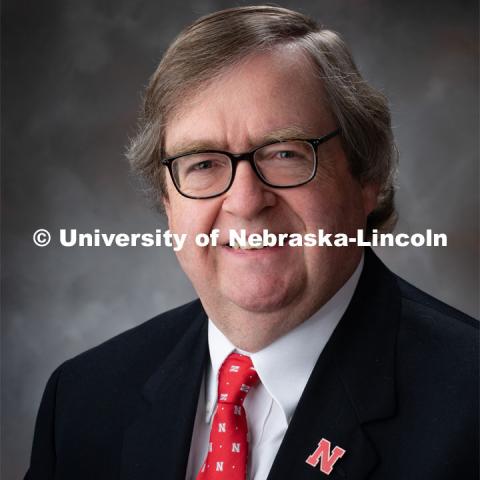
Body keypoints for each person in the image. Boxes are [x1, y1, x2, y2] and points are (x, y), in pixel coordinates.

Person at [25, 6, 478, 480]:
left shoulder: (468, 408)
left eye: (285, 153)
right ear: (167, 201)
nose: (244, 201)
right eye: (203, 163)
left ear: (367, 175)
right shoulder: (81, 401)